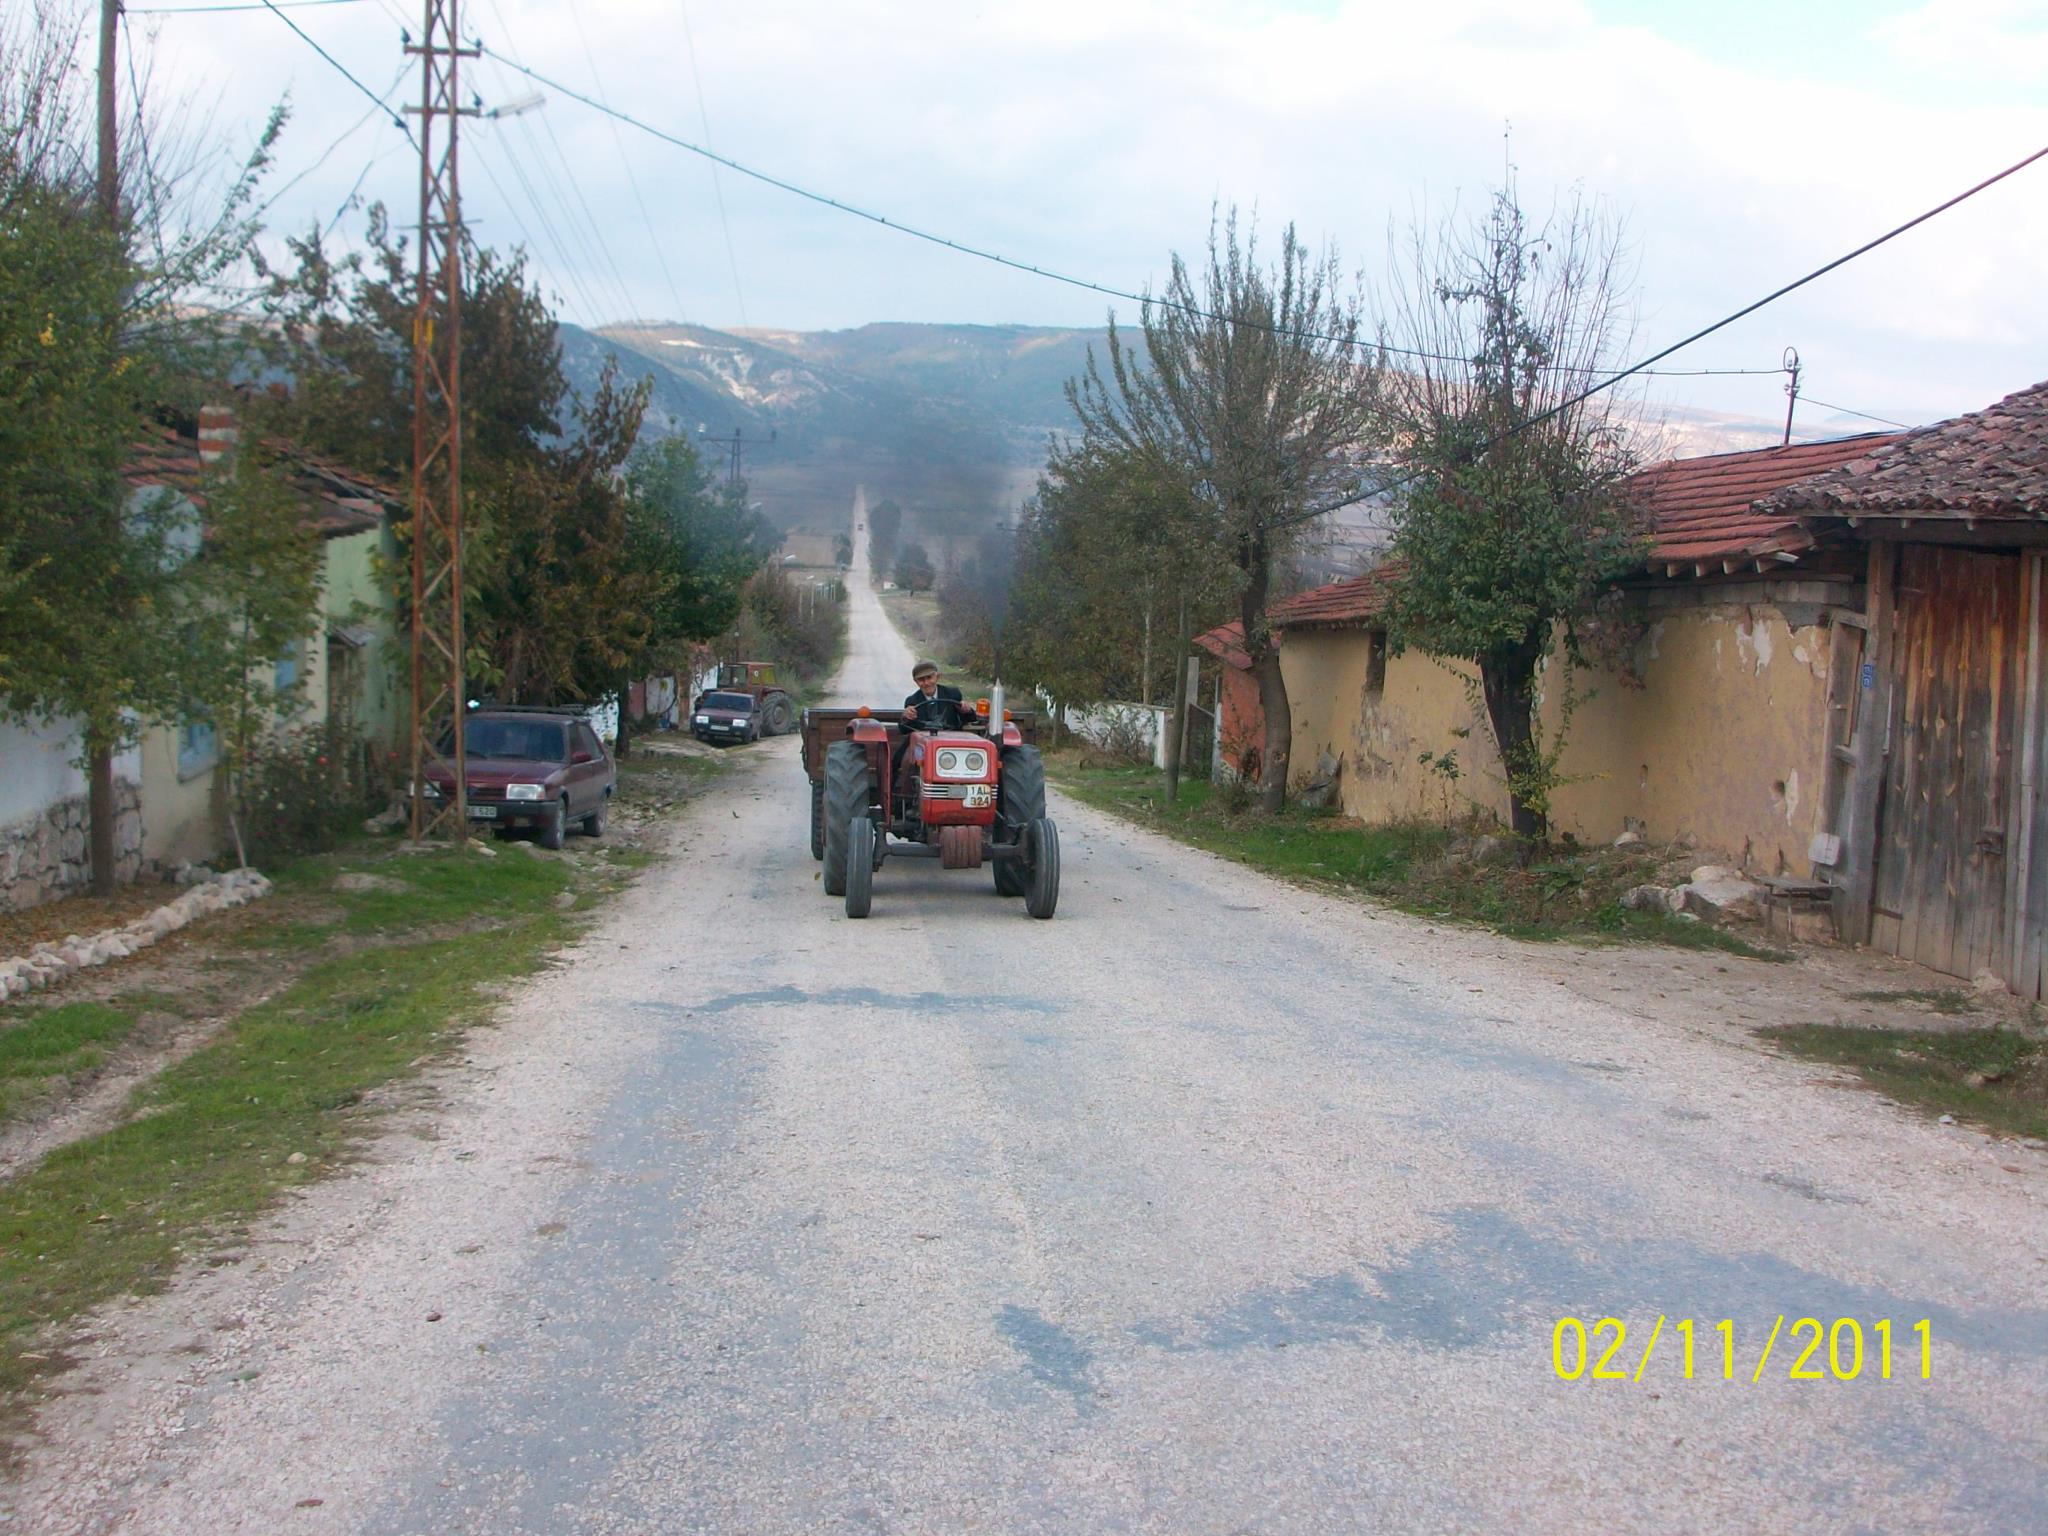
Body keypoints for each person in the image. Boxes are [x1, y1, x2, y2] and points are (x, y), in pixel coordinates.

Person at [895, 660, 966, 790]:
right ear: (916, 682)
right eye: (921, 680)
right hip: (923, 743)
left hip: (952, 739)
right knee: (901, 761)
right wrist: (906, 717)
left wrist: (966, 710)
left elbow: (968, 719)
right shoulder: (912, 700)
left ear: (937, 676)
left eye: (929, 677)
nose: (926, 683)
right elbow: (903, 729)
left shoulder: (952, 694)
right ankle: (903, 795)